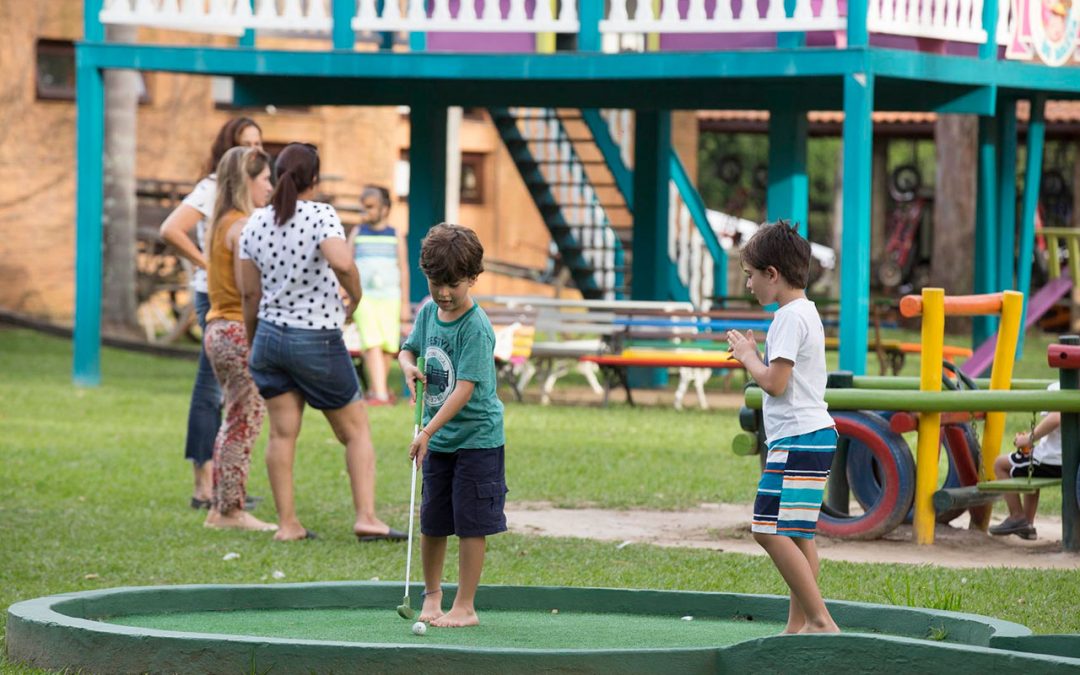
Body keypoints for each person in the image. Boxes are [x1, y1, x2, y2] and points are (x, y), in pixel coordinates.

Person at [238, 142, 404, 543]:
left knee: (281, 434)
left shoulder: (255, 222)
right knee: (356, 431)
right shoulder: (319, 215)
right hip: (316, 339)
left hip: (270, 340)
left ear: (278, 176)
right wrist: (357, 298)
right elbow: (343, 262)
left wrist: (253, 339)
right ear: (314, 178)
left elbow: (248, 294)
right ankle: (366, 517)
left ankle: (288, 525)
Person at [725, 220, 840, 635]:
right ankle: (799, 626)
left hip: (798, 437)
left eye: (751, 276)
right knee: (797, 534)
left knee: (766, 529)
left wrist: (747, 356)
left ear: (772, 274)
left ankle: (821, 621)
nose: (749, 285)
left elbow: (774, 383)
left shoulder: (789, 318)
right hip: (808, 436)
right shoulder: (804, 312)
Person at [399, 223, 507, 628]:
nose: (443, 292)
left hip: (476, 440)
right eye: (435, 282)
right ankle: (432, 596)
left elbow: (464, 388)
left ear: (473, 278)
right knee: (434, 519)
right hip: (438, 440)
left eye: (453, 284)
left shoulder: (475, 327)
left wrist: (426, 431)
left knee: (470, 523)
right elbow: (407, 350)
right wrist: (408, 367)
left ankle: (465, 606)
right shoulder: (429, 313)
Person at [159, 117, 263, 509]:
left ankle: (226, 484)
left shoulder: (250, 195)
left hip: (239, 300)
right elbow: (172, 229)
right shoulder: (212, 188)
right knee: (210, 388)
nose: (254, 150)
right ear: (227, 149)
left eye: (259, 142)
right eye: (245, 143)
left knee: (236, 393)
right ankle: (204, 485)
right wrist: (210, 266)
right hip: (214, 299)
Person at [202, 146, 277, 532]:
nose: (270, 186)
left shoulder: (221, 222)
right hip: (237, 328)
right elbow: (252, 288)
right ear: (247, 180)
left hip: (217, 328)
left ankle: (221, 507)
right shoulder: (243, 226)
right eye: (265, 178)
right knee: (243, 420)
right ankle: (231, 510)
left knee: (234, 417)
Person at [350, 185, 410, 405]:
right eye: (363, 207)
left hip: (390, 297)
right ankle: (381, 394)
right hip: (365, 297)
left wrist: (404, 303)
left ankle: (378, 390)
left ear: (385, 209)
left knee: (386, 347)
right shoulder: (358, 233)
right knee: (372, 342)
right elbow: (347, 262)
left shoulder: (395, 235)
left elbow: (403, 268)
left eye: (371, 207)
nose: (366, 211)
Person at [990, 382, 1064, 540]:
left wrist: (1028, 439)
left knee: (1000, 464)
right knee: (1031, 469)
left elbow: (1056, 418)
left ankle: (1017, 516)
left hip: (1052, 460)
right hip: (1071, 461)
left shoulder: (1057, 387)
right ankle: (1027, 525)